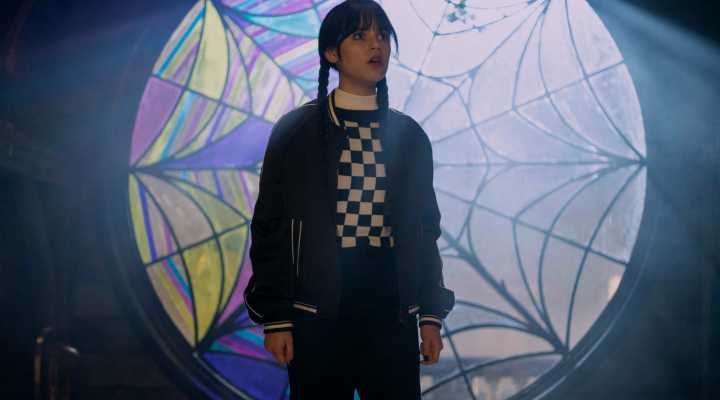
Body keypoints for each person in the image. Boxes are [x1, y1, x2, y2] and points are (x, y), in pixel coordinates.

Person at [243, 1, 455, 398]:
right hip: (317, 310)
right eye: (360, 36)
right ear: (331, 53)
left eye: (382, 36)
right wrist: (276, 318)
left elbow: (424, 230)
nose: (376, 45)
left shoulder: (409, 137)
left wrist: (429, 315)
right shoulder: (297, 132)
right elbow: (270, 227)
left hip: (391, 309)